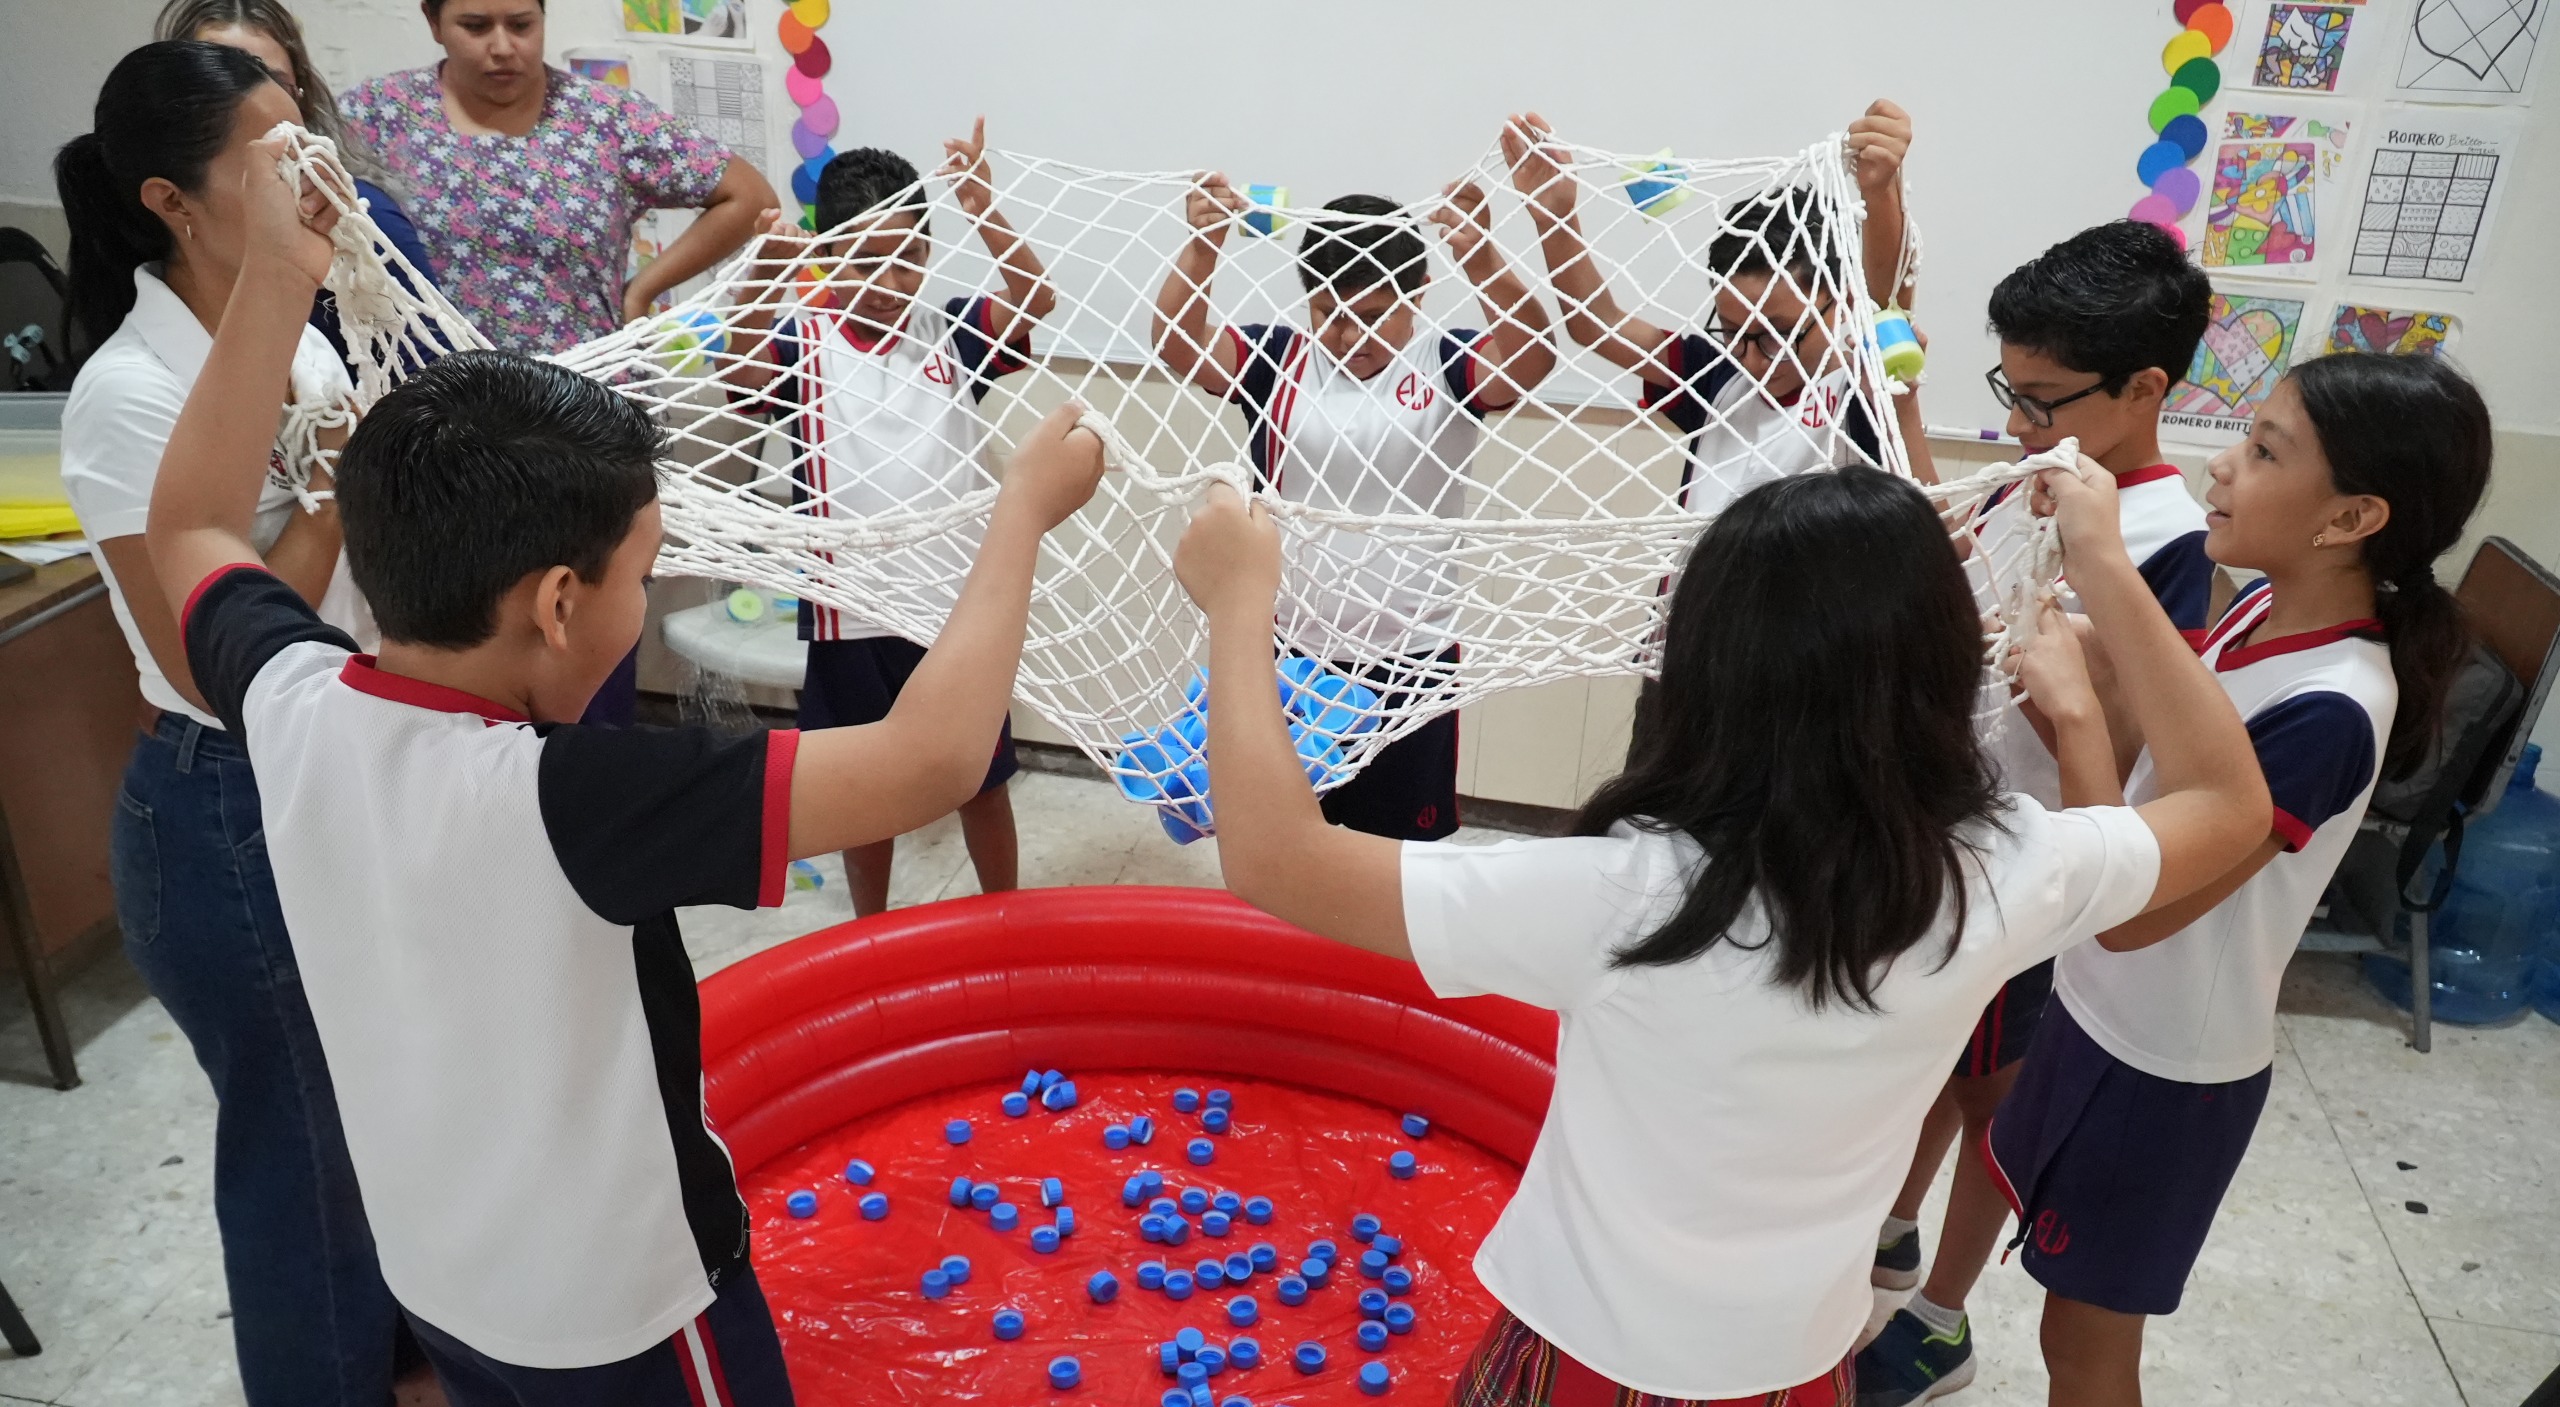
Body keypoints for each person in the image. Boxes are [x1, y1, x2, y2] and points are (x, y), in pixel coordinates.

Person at [143, 129, 1103, 1407]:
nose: (646, 597)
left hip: (442, 1261)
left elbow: (189, 525)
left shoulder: (294, 699)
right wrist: (1021, 514)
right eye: (643, 572)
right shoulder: (570, 796)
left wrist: (274, 278)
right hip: (627, 1302)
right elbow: (934, 756)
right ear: (560, 604)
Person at [1166, 435, 2274, 1407]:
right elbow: (2227, 804)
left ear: (1703, 672)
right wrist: (2106, 581)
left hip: (1581, 1359)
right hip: (1786, 1379)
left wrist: (1242, 600)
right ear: (1933, 672)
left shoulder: (1625, 891)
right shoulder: (2001, 870)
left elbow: (1274, 855)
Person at [1880, 353, 2489, 1407]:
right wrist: (2070, 627)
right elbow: (2162, 738)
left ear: (2353, 518)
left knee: (2093, 1344)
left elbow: (2136, 910)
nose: (2225, 463)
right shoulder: (2262, 605)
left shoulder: (2335, 705)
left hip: (2169, 1070)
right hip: (2101, 1024)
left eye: (2265, 450)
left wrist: (2077, 699)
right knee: (2063, 1320)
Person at [53, 39, 467, 1407]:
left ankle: (393, 1354)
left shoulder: (296, 340)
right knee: (296, 1135)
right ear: (172, 200)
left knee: (374, 1095)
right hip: (224, 800)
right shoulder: (127, 395)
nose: (318, 178)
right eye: (278, 159)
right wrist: (340, 497)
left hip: (332, 762)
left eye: (315, 143)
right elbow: (207, 647)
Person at [1857, 220, 2218, 1407]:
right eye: (2007, 386)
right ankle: (1892, 1227)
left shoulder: (2159, 546)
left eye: (2040, 396)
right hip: (1959, 836)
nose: (2015, 417)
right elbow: (1970, 561)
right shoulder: (2046, 468)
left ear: (2144, 389)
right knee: (1932, 1056)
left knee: (1995, 1100)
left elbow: (2117, 742)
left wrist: (2047, 684)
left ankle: (1940, 1317)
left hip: (2036, 865)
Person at [340, 0, 780, 727]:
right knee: (457, 661)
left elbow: (747, 194)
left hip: (584, 440)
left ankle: (582, 787)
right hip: (447, 449)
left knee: (588, 651)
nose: (502, 47)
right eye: (475, 26)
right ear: (433, 22)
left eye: (521, 24)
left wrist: (641, 289)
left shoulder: (603, 120)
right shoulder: (378, 118)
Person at [1151, 173, 1556, 840]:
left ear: (1417, 296)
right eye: (1332, 313)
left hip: (1411, 662)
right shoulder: (1278, 359)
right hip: (1292, 654)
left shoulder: (1444, 361)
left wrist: (1482, 256)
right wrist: (1203, 248)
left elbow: (1535, 354)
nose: (1350, 335)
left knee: (1397, 856)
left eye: (1373, 315)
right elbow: (1175, 341)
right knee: (1282, 840)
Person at [726, 124, 1055, 915]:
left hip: (953, 615)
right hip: (851, 616)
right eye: (865, 261)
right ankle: (869, 932)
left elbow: (1034, 297)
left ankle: (1005, 921)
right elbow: (740, 380)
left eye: (908, 259)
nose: (888, 281)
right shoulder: (801, 340)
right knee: (861, 790)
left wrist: (983, 208)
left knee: (982, 778)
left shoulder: (951, 332)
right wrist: (763, 274)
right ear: (826, 254)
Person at [1500, 103, 1929, 520]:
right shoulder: (1720, 377)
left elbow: (1887, 302)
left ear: (1844, 302)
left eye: (1778, 336)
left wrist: (1879, 192)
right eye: (1733, 331)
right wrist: (1554, 218)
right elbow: (1597, 324)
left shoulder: (1863, 393)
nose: (1754, 360)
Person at [153, 0, 442, 367]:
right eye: (219, 89)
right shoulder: (154, 226)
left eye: (274, 84)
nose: (253, 106)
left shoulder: (357, 216)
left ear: (300, 99)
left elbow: (435, 371)